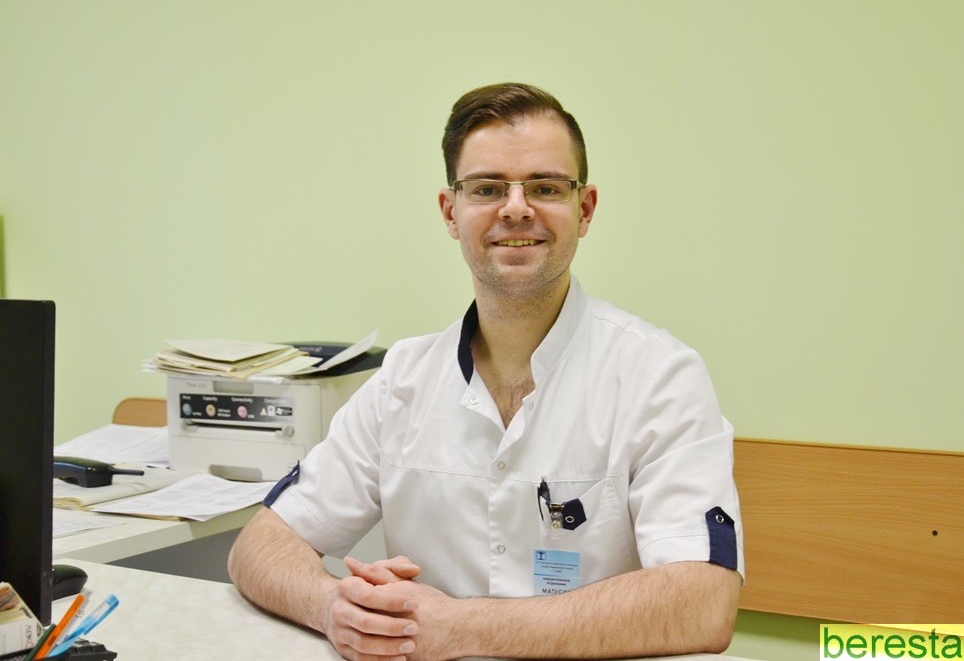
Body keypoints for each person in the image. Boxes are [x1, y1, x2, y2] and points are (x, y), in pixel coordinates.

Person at [228, 82, 744, 660]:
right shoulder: (403, 380)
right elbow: (261, 546)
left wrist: (461, 627)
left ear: (585, 209)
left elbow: (705, 600)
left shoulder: (659, 377)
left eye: (545, 187)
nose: (516, 208)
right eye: (487, 188)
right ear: (451, 212)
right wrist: (332, 606)